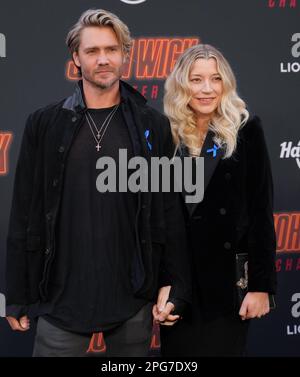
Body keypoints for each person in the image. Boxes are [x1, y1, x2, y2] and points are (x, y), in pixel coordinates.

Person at [5, 9, 191, 357]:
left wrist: (175, 285)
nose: (103, 59)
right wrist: (17, 295)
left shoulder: (154, 126)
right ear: (76, 58)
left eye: (111, 49)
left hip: (132, 299)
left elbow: (169, 213)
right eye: (92, 51)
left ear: (125, 55)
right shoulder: (44, 124)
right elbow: (24, 211)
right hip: (59, 301)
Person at [153, 44, 277, 357]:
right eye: (196, 80)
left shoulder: (246, 129)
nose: (207, 89)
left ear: (226, 84)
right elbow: (162, 219)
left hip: (226, 285)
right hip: (181, 286)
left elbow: (261, 212)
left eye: (216, 79)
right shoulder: (166, 134)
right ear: (182, 85)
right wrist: (166, 282)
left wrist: (261, 287)